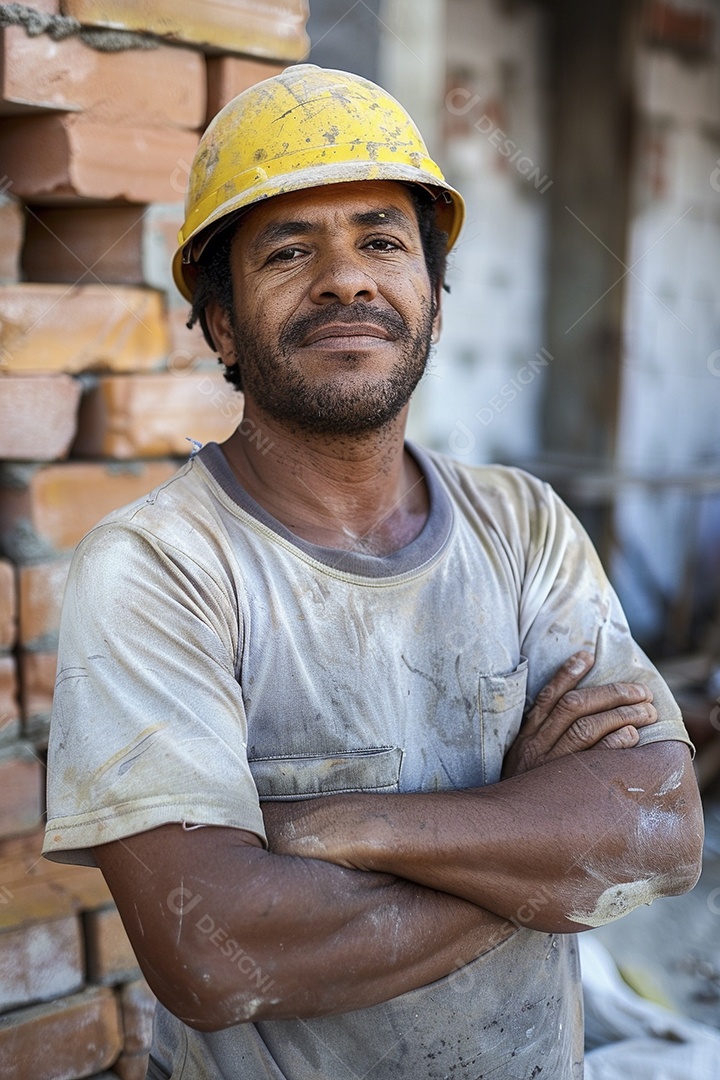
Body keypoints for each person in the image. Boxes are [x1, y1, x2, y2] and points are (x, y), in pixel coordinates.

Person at [43, 65, 703, 1079]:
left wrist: (341, 827)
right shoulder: (157, 569)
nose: (346, 279)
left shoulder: (522, 526)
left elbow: (660, 830)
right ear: (220, 324)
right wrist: (544, 844)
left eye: (382, 242)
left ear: (434, 301)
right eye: (290, 251)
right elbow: (217, 956)